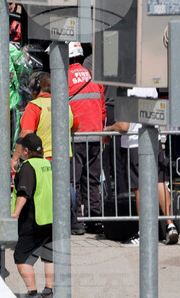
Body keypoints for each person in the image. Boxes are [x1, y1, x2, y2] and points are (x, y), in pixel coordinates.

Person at [105, 87, 180, 245]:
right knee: (159, 183)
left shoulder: (124, 89)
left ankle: (144, 233)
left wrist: (107, 129)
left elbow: (123, 126)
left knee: (139, 187)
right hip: (154, 139)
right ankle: (170, 225)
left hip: (135, 143)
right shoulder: (151, 84)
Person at [66, 42, 106, 234]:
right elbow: (103, 108)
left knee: (72, 181)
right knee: (92, 180)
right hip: (95, 135)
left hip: (76, 136)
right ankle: (95, 220)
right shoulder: (93, 76)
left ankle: (76, 222)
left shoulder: (64, 77)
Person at [12, 134, 55, 298]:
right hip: (51, 217)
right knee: (49, 256)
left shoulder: (28, 166)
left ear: (26, 151)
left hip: (34, 219)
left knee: (21, 257)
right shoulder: (48, 164)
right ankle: (49, 290)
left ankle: (32, 292)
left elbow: (23, 193)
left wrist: (16, 213)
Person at [11, 73, 77, 173]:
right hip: (64, 158)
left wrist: (15, 158)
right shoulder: (64, 105)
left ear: (36, 88)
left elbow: (25, 134)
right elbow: (75, 126)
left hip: (42, 159)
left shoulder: (35, 106)